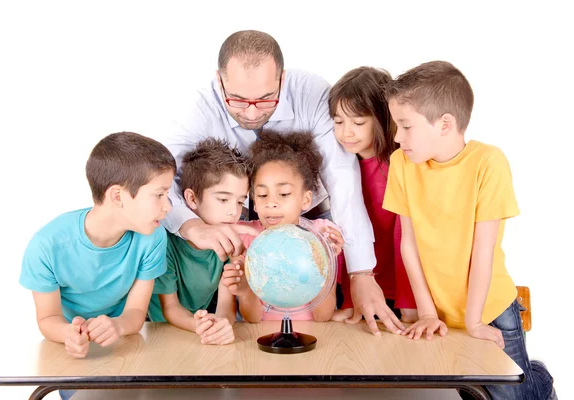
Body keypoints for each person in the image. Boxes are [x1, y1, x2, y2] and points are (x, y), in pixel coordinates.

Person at [161, 30, 404, 335]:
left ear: (282, 78)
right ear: (219, 80)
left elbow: (342, 179)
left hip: (314, 213)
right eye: (237, 99)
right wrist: (192, 226)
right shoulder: (199, 107)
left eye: (265, 99)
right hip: (247, 217)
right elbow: (163, 176)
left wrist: (361, 273)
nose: (252, 112)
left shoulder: (312, 92)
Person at [383, 60, 557, 400]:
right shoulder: (402, 163)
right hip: (445, 310)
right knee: (478, 394)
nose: (397, 137)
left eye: (405, 126)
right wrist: (428, 312)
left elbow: (484, 250)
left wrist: (476, 321)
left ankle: (540, 378)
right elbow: (409, 244)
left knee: (514, 396)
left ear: (445, 124)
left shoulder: (488, 163)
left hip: (491, 308)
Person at [19, 132, 175, 400]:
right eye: (159, 195)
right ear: (117, 196)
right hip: (73, 351)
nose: (168, 206)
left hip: (127, 343)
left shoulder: (152, 237)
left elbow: (136, 313)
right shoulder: (47, 245)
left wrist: (117, 326)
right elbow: (47, 319)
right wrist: (69, 334)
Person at [221, 130, 344, 322]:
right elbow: (252, 319)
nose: (271, 203)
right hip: (262, 340)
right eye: (262, 195)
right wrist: (245, 290)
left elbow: (323, 316)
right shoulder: (244, 237)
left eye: (284, 193)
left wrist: (324, 260)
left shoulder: (322, 234)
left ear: (306, 199)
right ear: (254, 202)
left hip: (314, 338)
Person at [328, 67, 417, 323]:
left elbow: (406, 238)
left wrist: (408, 303)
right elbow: (343, 235)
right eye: (338, 122)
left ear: (381, 118)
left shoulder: (398, 167)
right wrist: (348, 299)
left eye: (357, 122)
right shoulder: (339, 170)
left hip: (400, 292)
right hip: (361, 290)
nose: (346, 132)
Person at [147, 138, 253, 345]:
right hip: (159, 332)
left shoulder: (231, 242)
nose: (234, 211)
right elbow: (170, 309)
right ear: (192, 199)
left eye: (240, 201)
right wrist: (201, 326)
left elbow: (226, 303)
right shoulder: (163, 243)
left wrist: (221, 325)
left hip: (201, 329)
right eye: (223, 199)